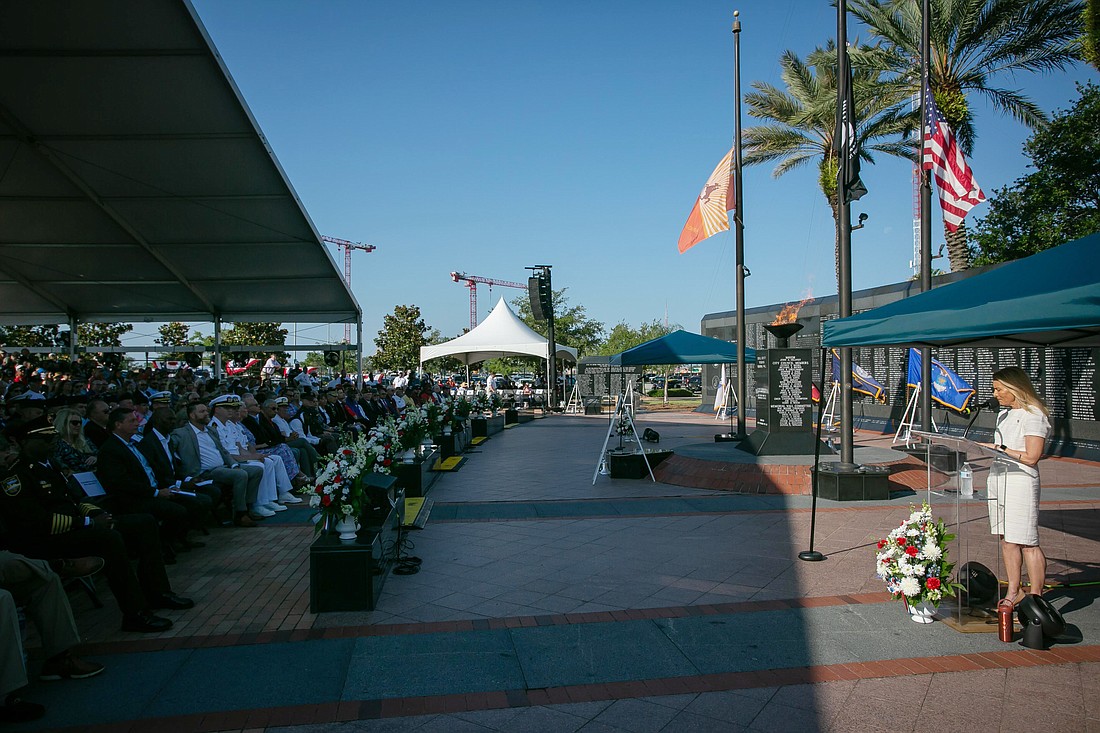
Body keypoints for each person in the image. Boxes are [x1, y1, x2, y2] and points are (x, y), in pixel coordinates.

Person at [0, 419, 190, 633]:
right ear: (25, 443)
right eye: (44, 439)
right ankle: (135, 614)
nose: (52, 442)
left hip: (75, 527)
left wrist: (97, 513)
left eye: (52, 437)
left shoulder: (50, 465)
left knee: (143, 523)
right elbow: (36, 522)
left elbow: (74, 501)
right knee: (108, 539)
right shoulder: (17, 477)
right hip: (48, 538)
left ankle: (158, 592)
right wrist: (89, 522)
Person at [982, 366, 1052, 608]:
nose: (996, 394)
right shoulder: (1003, 415)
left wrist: (1000, 449)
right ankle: (1015, 590)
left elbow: (1032, 456)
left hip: (1021, 481)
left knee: (1027, 541)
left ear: (1015, 388)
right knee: (1007, 539)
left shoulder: (1034, 415)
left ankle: (1036, 598)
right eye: (994, 389)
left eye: (999, 389)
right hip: (999, 478)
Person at [50, 407, 97, 475]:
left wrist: (96, 458)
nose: (78, 425)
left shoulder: (85, 440)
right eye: (74, 423)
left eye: (80, 423)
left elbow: (100, 455)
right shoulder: (55, 444)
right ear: (63, 423)